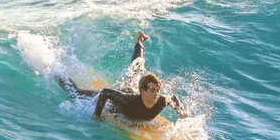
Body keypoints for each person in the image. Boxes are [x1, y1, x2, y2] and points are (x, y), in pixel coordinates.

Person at [56, 31, 188, 121]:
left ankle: (140, 40)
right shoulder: (128, 100)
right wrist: (97, 115)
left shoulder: (160, 101)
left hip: (134, 90)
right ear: (143, 90)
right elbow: (105, 92)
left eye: (158, 91)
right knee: (77, 93)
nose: (156, 94)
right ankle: (55, 71)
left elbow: (173, 98)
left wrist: (182, 112)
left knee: (137, 68)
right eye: (152, 90)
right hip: (120, 96)